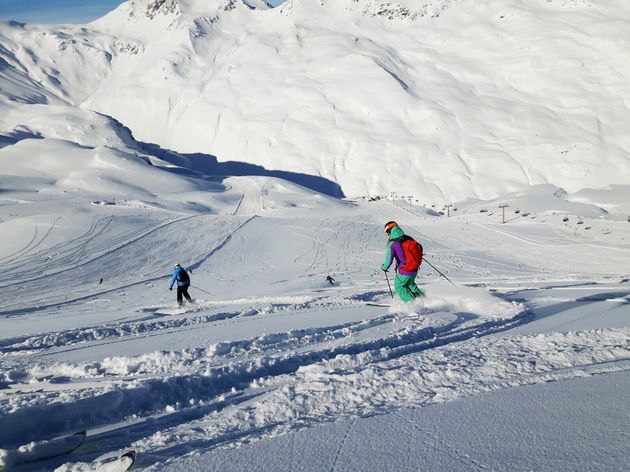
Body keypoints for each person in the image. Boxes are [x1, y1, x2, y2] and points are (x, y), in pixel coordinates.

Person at [381, 221, 425, 302]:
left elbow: (388, 261)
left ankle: (412, 304)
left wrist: (384, 267)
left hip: (405, 270)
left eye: (387, 232)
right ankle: (424, 299)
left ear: (390, 231)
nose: (387, 235)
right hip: (414, 268)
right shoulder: (407, 238)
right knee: (410, 284)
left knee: (399, 286)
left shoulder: (392, 244)